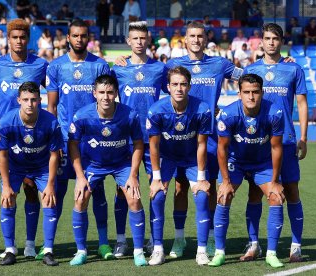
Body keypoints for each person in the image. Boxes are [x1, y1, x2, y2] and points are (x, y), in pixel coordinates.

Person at [164, 22, 243, 258]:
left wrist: (278, 62)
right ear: (184, 39)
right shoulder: (172, 66)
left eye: (200, 36)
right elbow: (146, 81)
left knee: (207, 189)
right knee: (179, 188)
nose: (196, 40)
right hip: (180, 136)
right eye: (192, 36)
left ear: (206, 38)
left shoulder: (219, 64)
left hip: (208, 136)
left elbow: (248, 77)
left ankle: (208, 239)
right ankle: (179, 239)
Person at [241, 23, 308, 263]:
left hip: (288, 140)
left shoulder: (293, 69)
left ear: (281, 41)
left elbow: (301, 103)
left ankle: (296, 246)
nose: (271, 42)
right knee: (255, 193)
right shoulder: (251, 69)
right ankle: (254, 244)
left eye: (275, 38)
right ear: (261, 41)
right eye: (267, 38)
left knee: (291, 190)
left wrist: (303, 137)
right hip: (258, 142)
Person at [46, 19, 112, 260]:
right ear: (68, 38)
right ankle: (49, 245)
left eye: (83, 36)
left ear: (88, 38)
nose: (79, 40)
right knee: (58, 191)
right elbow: (52, 107)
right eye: (75, 36)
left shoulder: (100, 66)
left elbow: (109, 101)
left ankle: (103, 242)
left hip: (94, 142)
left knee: (97, 191)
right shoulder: (55, 67)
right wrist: (54, 141)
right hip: (64, 140)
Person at [68, 74, 147, 267]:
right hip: (93, 164)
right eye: (102, 92)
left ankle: (138, 252)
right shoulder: (82, 116)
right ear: (94, 93)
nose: (106, 97)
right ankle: (81, 251)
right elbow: (73, 145)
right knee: (80, 198)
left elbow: (138, 144)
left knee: (134, 197)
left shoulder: (130, 115)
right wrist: (79, 176)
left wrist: (134, 175)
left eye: (110, 92)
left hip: (121, 163)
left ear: (116, 94)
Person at [208, 73, 285, 268]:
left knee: (275, 196)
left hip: (262, 162)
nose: (251, 97)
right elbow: (222, 149)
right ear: (239, 94)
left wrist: (275, 181)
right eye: (247, 92)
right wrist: (225, 181)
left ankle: (271, 253)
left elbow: (276, 148)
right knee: (223, 196)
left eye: (255, 92)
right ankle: (219, 252)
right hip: (237, 161)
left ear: (262, 92)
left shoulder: (274, 113)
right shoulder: (228, 114)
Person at [0, 18, 49, 260]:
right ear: (8, 39)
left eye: (23, 37)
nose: (19, 41)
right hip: (7, 139)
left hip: (34, 138)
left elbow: (52, 94)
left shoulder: (40, 66)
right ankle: (10, 247)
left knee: (32, 189)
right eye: (14, 37)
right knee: (8, 192)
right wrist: (4, 109)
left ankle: (31, 244)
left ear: (28, 39)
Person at [111, 21, 166, 258]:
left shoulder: (159, 69)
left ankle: (155, 240)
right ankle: (122, 240)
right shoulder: (118, 69)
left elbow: (176, 91)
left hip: (153, 139)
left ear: (148, 40)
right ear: (128, 41)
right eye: (135, 38)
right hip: (126, 140)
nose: (139, 42)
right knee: (122, 189)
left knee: (157, 188)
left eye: (143, 38)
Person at [147, 66, 212, 266]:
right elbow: (154, 145)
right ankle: (158, 249)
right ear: (168, 87)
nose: (179, 88)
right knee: (157, 196)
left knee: (202, 196)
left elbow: (202, 144)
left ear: (189, 87)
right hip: (167, 158)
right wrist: (156, 178)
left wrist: (201, 178)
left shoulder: (202, 109)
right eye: (174, 84)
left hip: (192, 158)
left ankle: (202, 250)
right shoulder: (156, 110)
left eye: (183, 84)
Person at [0, 82, 63, 266]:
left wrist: (50, 185)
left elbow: (53, 156)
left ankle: (48, 250)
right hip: (15, 166)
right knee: (8, 199)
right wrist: (6, 185)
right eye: (25, 99)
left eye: (34, 100)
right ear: (19, 100)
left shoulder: (50, 122)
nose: (30, 104)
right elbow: (2, 155)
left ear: (40, 100)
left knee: (49, 200)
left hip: (42, 166)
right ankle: (10, 250)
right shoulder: (6, 122)